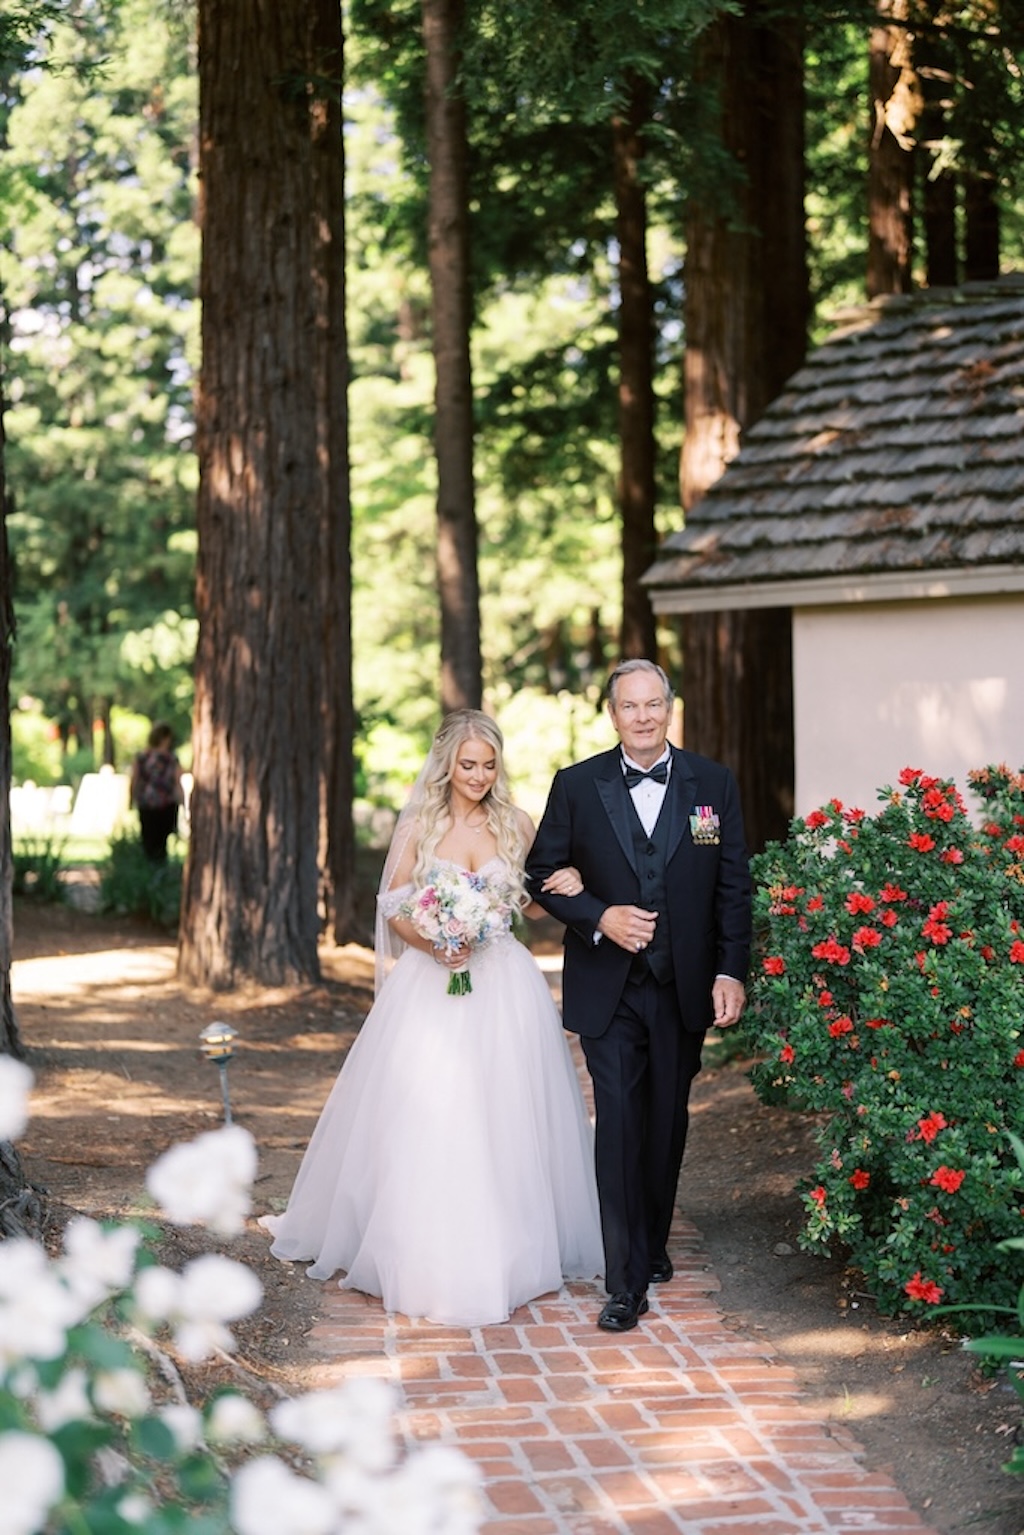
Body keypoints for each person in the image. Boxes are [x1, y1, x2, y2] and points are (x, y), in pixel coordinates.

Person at [261, 709, 603, 1327]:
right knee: (434, 1110)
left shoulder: (517, 823)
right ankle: (423, 1246)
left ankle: (510, 1246)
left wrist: (572, 879)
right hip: (431, 983)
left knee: (503, 1113)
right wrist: (433, 943)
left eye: (489, 764)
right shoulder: (421, 824)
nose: (478, 775)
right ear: (446, 763)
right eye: (468, 764)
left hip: (502, 984)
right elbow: (393, 906)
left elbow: (540, 896)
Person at [525, 659, 752, 1333]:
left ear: (670, 708)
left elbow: (732, 886)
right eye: (630, 705)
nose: (644, 715)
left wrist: (731, 970)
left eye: (655, 703)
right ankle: (624, 1282)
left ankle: (651, 1243)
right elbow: (541, 872)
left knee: (666, 1120)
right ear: (613, 713)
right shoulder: (575, 785)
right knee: (619, 1124)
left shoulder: (712, 784)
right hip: (608, 987)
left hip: (684, 985)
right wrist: (600, 914)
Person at [129, 722, 183, 862]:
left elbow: (135, 780)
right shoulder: (171, 759)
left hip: (149, 803)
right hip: (164, 803)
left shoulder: (142, 758)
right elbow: (177, 782)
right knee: (160, 842)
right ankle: (158, 869)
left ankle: (153, 870)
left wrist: (132, 798)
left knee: (150, 840)